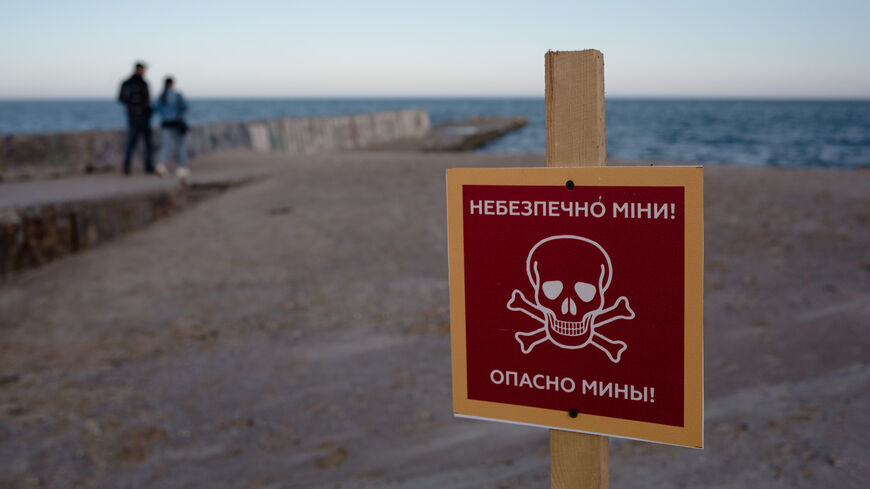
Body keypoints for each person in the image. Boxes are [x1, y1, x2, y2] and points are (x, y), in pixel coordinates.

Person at [118, 61, 154, 175]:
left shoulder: (128, 83)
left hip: (136, 116)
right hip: (138, 117)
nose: (144, 72)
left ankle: (131, 166)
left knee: (134, 143)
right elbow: (123, 98)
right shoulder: (139, 83)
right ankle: (143, 166)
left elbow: (121, 98)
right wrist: (137, 107)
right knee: (141, 142)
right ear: (138, 69)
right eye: (143, 69)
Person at [153, 77, 190, 180]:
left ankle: (161, 166)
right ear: (172, 84)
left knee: (165, 146)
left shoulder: (161, 96)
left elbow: (155, 108)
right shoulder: (177, 95)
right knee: (180, 146)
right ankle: (180, 167)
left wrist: (165, 115)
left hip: (165, 124)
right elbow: (185, 107)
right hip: (176, 124)